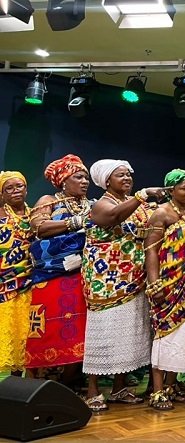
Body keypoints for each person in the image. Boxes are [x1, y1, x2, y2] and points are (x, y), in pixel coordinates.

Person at [81, 159, 163, 411]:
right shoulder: (100, 204)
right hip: (106, 283)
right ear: (107, 181)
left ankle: (119, 387)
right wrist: (142, 195)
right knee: (103, 335)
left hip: (134, 280)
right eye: (120, 175)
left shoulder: (138, 207)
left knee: (128, 336)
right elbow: (111, 218)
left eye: (129, 174)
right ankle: (93, 390)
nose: (127, 178)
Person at [143, 170, 185, 410]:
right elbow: (151, 250)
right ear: (170, 190)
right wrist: (155, 284)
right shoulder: (161, 214)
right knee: (166, 334)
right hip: (170, 282)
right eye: (184, 188)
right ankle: (158, 391)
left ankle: (173, 384)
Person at [26, 156, 90, 387]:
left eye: (86, 178)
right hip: (50, 277)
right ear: (63, 181)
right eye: (78, 177)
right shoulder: (49, 201)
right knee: (48, 328)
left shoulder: (91, 205)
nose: (84, 182)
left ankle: (70, 380)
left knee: (76, 329)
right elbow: (39, 228)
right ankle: (37, 382)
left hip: (81, 276)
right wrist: (75, 223)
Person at [0, 171, 34, 376]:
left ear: (26, 189)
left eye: (19, 186)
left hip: (32, 279)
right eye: (9, 188)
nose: (15, 191)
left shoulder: (36, 215)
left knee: (28, 331)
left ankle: (22, 384)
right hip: (5, 281)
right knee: (9, 328)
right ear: (2, 194)